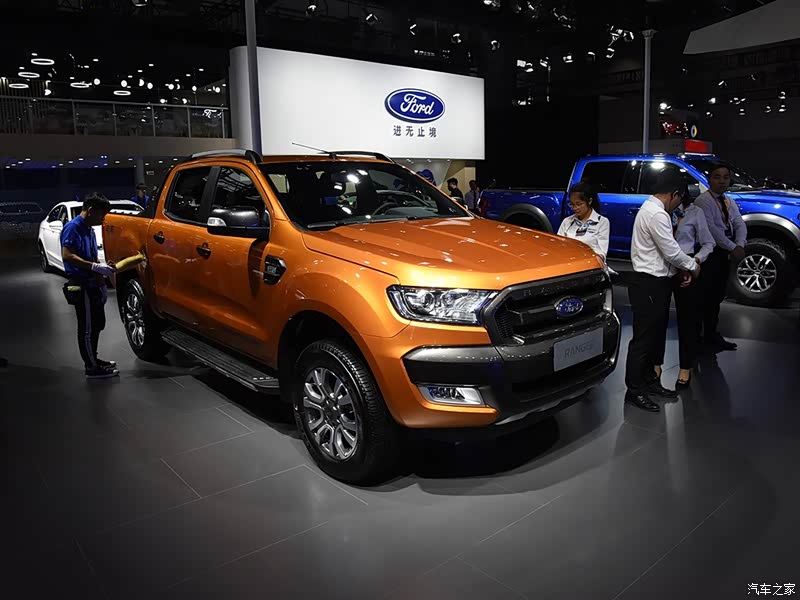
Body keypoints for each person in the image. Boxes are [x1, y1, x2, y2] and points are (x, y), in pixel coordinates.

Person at [624, 172, 701, 413]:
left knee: (654, 337)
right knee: (643, 340)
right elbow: (671, 251)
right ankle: (634, 390)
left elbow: (666, 254)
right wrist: (692, 266)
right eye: (679, 200)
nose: (679, 205)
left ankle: (649, 382)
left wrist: (679, 270)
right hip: (649, 283)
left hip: (656, 283)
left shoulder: (651, 209)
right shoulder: (657, 214)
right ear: (674, 194)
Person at [652, 191, 715, 389]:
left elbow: (708, 243)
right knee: (658, 319)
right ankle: (656, 365)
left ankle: (685, 367)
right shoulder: (662, 212)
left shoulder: (696, 212)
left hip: (686, 266)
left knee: (687, 320)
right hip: (663, 267)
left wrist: (695, 261)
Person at [60, 193, 119, 379]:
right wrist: (94, 267)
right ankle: (91, 367)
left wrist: (101, 272)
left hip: (93, 284)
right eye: (101, 215)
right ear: (91, 210)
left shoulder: (89, 230)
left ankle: (94, 359)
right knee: (86, 328)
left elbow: (91, 256)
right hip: (81, 284)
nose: (103, 219)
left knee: (97, 324)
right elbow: (67, 255)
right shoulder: (73, 228)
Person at [695, 164, 747, 351]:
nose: (722, 181)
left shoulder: (728, 201)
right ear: (709, 180)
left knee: (717, 296)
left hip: (724, 252)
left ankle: (711, 335)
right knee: (706, 297)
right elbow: (712, 230)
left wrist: (740, 244)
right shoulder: (703, 201)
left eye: (726, 177)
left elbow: (739, 223)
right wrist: (733, 247)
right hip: (710, 253)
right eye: (717, 177)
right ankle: (700, 338)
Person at [557, 181, 610, 262]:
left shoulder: (602, 222)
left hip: (589, 263)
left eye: (579, 204)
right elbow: (558, 246)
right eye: (572, 204)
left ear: (589, 201)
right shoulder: (567, 221)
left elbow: (601, 253)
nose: (575, 208)